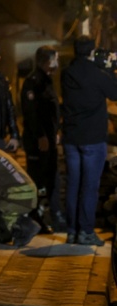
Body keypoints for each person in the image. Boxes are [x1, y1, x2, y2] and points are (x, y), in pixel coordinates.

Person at [60, 35, 117, 246]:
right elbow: (114, 94)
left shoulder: (67, 74)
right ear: (92, 52)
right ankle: (86, 231)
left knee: (74, 185)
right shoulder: (98, 75)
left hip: (72, 138)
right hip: (93, 139)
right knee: (90, 186)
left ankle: (72, 232)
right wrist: (110, 70)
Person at [20, 45, 66, 233]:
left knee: (50, 179)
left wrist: (56, 131)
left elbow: (51, 112)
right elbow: (31, 113)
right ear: (47, 61)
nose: (57, 63)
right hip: (39, 142)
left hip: (49, 139)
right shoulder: (34, 82)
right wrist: (41, 136)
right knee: (37, 181)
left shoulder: (46, 81)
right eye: (55, 59)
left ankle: (50, 215)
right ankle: (34, 218)